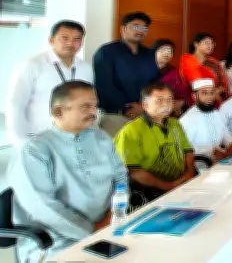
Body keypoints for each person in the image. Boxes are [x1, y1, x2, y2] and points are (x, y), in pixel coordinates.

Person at [8, 81, 127, 262]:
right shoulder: (35, 151)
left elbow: (120, 177)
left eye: (95, 105)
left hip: (109, 227)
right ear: (58, 112)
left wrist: (113, 215)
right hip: (55, 241)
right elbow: (43, 206)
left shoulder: (102, 138)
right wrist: (93, 231)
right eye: (85, 106)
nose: (94, 112)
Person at [6, 20, 94, 146]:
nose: (70, 43)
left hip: (76, 140)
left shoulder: (86, 68)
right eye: (64, 38)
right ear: (51, 40)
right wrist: (21, 141)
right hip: (40, 139)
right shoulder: (33, 65)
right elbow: (16, 104)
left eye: (77, 39)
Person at [114, 82, 195, 207]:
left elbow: (187, 151)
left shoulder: (175, 124)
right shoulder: (130, 131)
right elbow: (134, 172)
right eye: (159, 100)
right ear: (145, 105)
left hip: (181, 185)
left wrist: (189, 172)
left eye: (169, 100)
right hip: (150, 194)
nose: (166, 104)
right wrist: (168, 186)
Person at [93, 11, 160, 136]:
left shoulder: (149, 54)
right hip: (115, 115)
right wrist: (127, 108)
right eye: (135, 26)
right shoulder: (106, 51)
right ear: (123, 29)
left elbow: (155, 83)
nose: (140, 31)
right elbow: (104, 85)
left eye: (144, 28)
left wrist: (144, 106)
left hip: (145, 114)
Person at [179, 79, 232, 161]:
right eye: (204, 93)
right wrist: (212, 152)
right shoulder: (186, 120)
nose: (209, 97)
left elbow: (226, 134)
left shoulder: (217, 114)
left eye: (212, 93)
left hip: (221, 159)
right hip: (199, 163)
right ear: (194, 96)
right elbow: (183, 149)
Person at [179, 32, 229, 105]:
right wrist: (210, 92)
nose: (210, 46)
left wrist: (218, 90)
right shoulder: (188, 61)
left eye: (212, 43)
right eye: (206, 43)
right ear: (196, 44)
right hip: (193, 101)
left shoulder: (215, 63)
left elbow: (223, 83)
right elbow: (192, 84)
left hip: (215, 100)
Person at [151, 39, 188, 116]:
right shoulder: (143, 69)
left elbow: (182, 94)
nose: (166, 53)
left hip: (168, 110)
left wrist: (180, 102)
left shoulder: (174, 72)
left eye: (170, 51)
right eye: (163, 50)